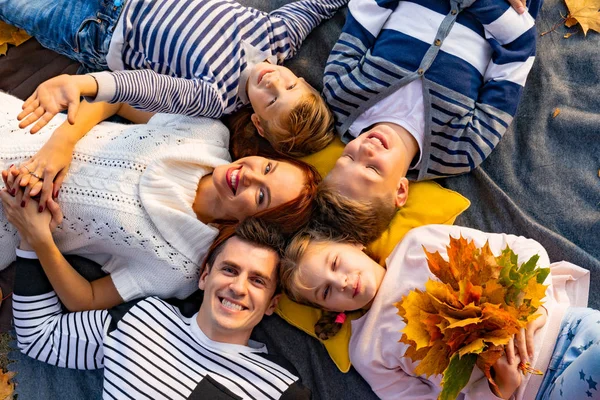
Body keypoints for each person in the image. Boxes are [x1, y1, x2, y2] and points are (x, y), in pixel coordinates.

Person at [0, 91, 320, 312]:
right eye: (267, 167)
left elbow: (86, 298)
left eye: (261, 195)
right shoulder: (206, 133)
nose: (250, 175)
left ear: (254, 226)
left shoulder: (180, 266)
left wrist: (38, 237)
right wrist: (62, 142)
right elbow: (118, 100)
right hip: (17, 128)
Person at [280, 224, 597, 400]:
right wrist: (502, 389)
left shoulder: (418, 245)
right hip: (536, 393)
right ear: (327, 308)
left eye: (335, 263)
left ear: (353, 243)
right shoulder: (366, 351)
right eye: (326, 292)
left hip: (567, 328)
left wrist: (535, 308)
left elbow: (524, 249)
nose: (342, 282)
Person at [314, 0, 542, 243]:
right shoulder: (460, 150)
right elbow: (519, 53)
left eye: (347, 158)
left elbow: (366, 9)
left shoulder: (341, 92)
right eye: (372, 169)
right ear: (400, 190)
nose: (364, 150)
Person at [12, 217, 312, 399]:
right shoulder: (143, 319)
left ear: (272, 304)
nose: (238, 287)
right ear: (205, 277)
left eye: (258, 280)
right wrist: (33, 238)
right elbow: (39, 337)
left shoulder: (279, 386)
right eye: (230, 270)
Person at [0, 0, 344, 156]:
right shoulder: (278, 36)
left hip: (96, 30)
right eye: (289, 85)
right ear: (300, 77)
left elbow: (150, 86)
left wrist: (84, 84)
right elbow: (316, 6)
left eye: (272, 100)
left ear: (256, 120)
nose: (273, 83)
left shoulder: (216, 97)